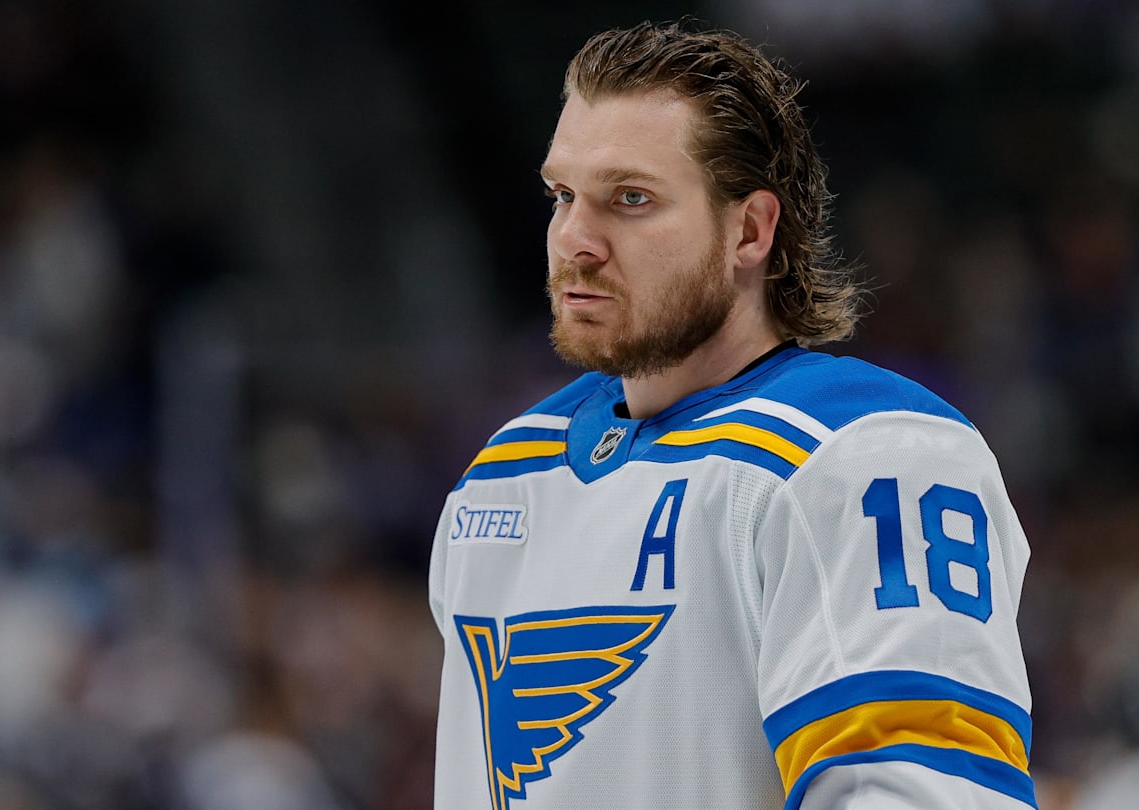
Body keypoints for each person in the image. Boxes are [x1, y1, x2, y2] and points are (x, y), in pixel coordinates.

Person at [428, 20, 1035, 810]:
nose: (574, 240)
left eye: (630, 199)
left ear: (750, 230)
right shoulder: (503, 475)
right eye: (562, 196)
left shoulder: (867, 453)